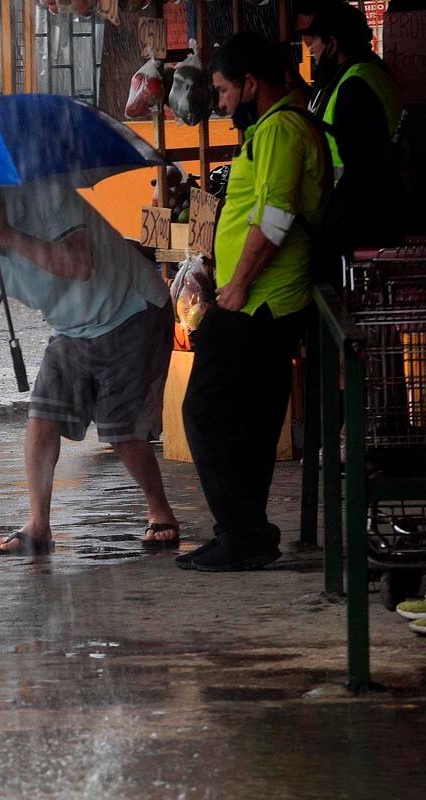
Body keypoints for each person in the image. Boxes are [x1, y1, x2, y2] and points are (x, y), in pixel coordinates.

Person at [0, 181, 178, 553]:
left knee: (120, 429)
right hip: (71, 328)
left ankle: (160, 510)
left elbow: (80, 265)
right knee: (41, 419)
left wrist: (10, 236)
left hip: (130, 308)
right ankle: (39, 526)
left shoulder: (45, 195)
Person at [180, 32, 331, 573]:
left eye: (223, 90)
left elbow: (275, 216)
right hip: (258, 300)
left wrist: (239, 283)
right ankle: (243, 533)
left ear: (250, 84)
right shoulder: (273, 128)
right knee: (248, 420)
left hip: (262, 302)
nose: (220, 103)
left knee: (206, 412)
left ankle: (243, 533)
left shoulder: (282, 129)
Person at [301, 0, 406, 249]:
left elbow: (360, 172)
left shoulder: (353, 87)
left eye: (315, 43)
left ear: (332, 44)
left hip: (360, 228)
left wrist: (330, 233)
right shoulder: (371, 72)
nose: (312, 51)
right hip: (373, 218)